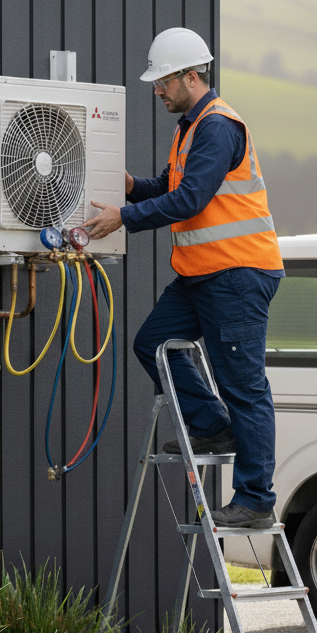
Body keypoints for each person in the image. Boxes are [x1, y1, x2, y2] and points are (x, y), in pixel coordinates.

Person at [84, 28, 284, 529]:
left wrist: (124, 217)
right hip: (202, 276)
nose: (157, 90)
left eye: (163, 81)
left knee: (245, 386)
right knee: (153, 343)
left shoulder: (217, 127)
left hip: (236, 274)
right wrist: (133, 188)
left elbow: (190, 200)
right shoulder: (191, 127)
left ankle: (255, 498)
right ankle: (213, 426)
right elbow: (172, 188)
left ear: (190, 77)